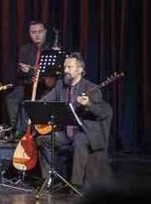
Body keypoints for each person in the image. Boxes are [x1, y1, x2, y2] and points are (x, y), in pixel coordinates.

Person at [37, 52, 112, 189]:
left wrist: (88, 104)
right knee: (42, 140)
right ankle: (48, 180)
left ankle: (76, 184)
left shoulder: (91, 87)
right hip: (66, 134)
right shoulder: (60, 86)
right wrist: (36, 107)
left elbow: (102, 113)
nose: (65, 70)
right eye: (65, 67)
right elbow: (45, 102)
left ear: (80, 70)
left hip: (86, 132)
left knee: (79, 140)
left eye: (69, 67)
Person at [4, 21, 56, 135]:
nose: (37, 35)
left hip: (44, 85)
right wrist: (23, 71)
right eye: (33, 32)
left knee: (39, 98)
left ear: (45, 32)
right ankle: (16, 129)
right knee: (12, 97)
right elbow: (20, 72)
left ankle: (36, 130)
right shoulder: (25, 49)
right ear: (29, 33)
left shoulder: (51, 49)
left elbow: (53, 73)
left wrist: (33, 73)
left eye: (40, 32)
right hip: (28, 83)